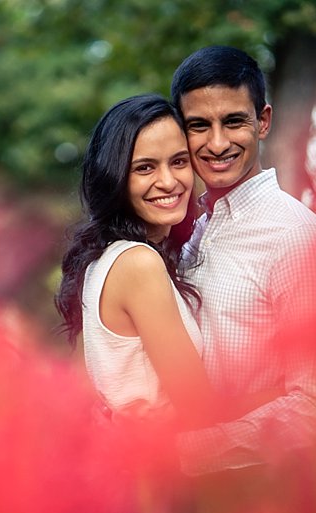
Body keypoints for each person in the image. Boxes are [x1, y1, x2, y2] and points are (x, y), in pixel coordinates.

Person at [168, 45, 316, 477]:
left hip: (269, 498)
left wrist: (186, 452)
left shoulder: (297, 237)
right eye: (198, 126)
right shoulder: (190, 229)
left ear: (263, 122)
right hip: (188, 504)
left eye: (234, 121)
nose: (217, 143)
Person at [55, 94, 216, 422]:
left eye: (179, 161)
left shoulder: (108, 258)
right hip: (158, 469)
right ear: (115, 178)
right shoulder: (138, 263)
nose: (169, 181)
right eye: (145, 167)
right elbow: (200, 407)